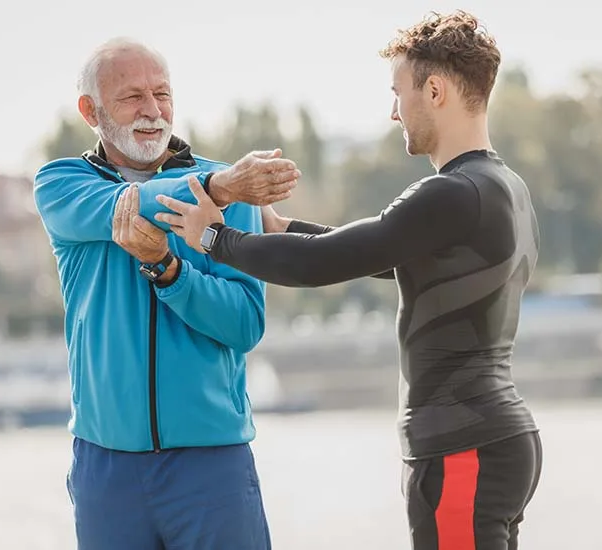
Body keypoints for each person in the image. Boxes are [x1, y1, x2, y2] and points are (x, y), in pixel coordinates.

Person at [154, 11, 542, 550]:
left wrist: (214, 239)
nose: (392, 112)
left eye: (397, 92)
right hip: (495, 439)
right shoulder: (505, 189)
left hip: (461, 446)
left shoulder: (450, 193)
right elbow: (380, 253)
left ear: (434, 91)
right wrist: (284, 226)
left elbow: (325, 262)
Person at [33, 38, 300, 550]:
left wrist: (171, 272)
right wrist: (219, 188)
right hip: (106, 469)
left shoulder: (230, 187)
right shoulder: (62, 183)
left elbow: (245, 324)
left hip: (212, 464)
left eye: (162, 94)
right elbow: (126, 206)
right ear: (90, 110)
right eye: (132, 97)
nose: (153, 112)